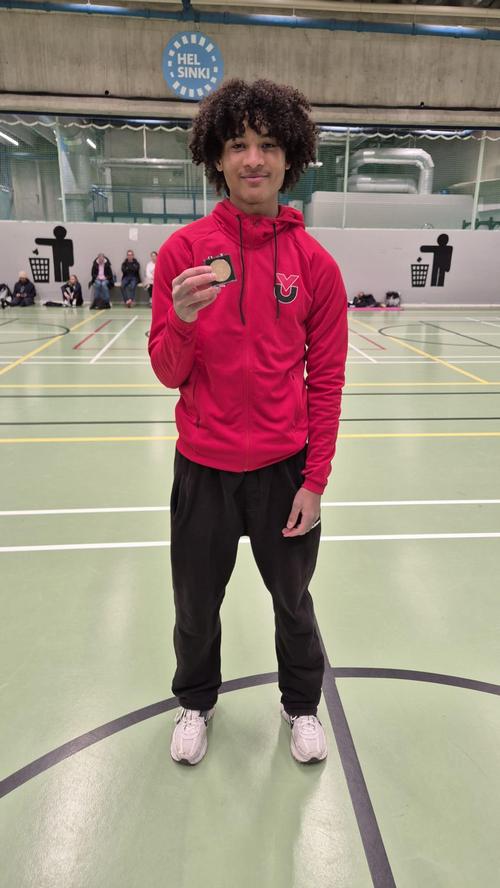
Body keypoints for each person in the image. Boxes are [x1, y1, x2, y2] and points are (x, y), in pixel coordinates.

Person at [148, 79, 348, 767]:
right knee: (194, 604)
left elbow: (326, 382)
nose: (253, 159)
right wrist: (182, 319)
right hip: (202, 468)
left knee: (293, 601)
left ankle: (302, 706)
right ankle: (195, 701)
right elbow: (167, 371)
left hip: (282, 472)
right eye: (238, 144)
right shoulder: (184, 253)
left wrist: (314, 481)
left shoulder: (316, 267)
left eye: (267, 144)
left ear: (290, 157)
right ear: (217, 157)